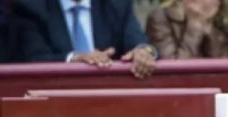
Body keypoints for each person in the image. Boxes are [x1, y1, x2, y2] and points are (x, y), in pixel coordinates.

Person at [12, 0, 157, 78]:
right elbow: (34, 58)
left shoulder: (116, 4)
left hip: (111, 102)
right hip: (53, 104)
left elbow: (138, 43)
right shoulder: (30, 7)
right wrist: (74, 58)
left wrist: (142, 53)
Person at [146, 0, 228, 58]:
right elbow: (173, 70)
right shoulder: (161, 18)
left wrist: (209, 28)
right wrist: (194, 25)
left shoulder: (221, 26)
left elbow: (224, 72)